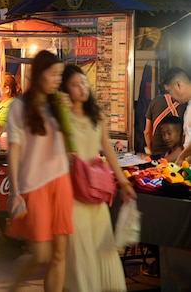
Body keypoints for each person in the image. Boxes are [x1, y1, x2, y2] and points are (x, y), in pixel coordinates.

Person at [60, 64, 136, 292]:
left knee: (102, 247)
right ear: (66, 89)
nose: (82, 87)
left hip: (94, 192)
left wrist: (123, 181)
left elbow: (108, 150)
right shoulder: (63, 116)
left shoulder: (97, 117)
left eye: (83, 82)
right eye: (75, 84)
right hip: (73, 193)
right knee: (80, 249)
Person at [5, 50, 74, 292]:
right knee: (40, 254)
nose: (57, 80)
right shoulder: (19, 106)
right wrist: (15, 190)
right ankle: (13, 286)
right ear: (39, 75)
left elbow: (68, 147)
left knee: (59, 254)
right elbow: (13, 151)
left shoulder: (58, 104)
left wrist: (70, 115)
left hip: (61, 181)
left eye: (60, 75)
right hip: (33, 185)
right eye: (53, 74)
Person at [143, 83, 185, 158]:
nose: (166, 137)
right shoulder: (184, 103)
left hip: (157, 152)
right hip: (177, 153)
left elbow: (147, 132)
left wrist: (152, 151)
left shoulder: (154, 102)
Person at [162, 67, 191, 165]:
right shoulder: (188, 108)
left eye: (170, 91)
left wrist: (182, 157)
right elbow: (186, 146)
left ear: (178, 85)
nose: (171, 97)